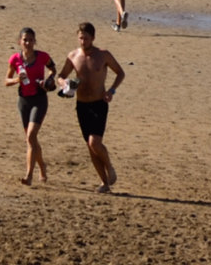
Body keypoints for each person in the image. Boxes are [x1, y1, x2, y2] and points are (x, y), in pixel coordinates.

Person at [57, 21, 124, 193]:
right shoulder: (72, 56)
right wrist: (64, 83)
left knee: (95, 142)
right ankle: (104, 183)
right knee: (90, 145)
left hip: (99, 103)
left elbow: (120, 72)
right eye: (80, 38)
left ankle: (109, 167)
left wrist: (112, 90)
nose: (83, 41)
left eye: (86, 38)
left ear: (93, 38)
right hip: (81, 105)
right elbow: (61, 75)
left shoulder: (103, 55)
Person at [7, 27, 55, 185]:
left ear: (35, 41)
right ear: (19, 42)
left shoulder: (42, 56)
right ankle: (42, 168)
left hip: (39, 100)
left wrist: (48, 80)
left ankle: (28, 175)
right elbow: (6, 81)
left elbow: (53, 69)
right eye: (25, 40)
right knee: (31, 140)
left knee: (31, 136)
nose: (28, 43)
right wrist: (17, 80)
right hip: (23, 101)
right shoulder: (15, 59)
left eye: (30, 40)